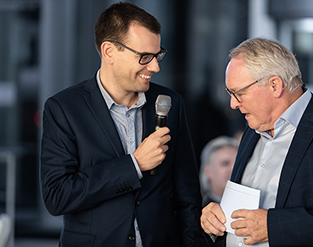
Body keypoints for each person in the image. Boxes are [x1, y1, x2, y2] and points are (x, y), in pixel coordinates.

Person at [40, 2, 206, 247]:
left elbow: (187, 197)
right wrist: (134, 165)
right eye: (144, 57)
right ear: (109, 52)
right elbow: (58, 196)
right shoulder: (64, 108)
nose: (155, 67)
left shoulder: (171, 103)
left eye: (158, 55)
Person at [200, 37, 313, 247]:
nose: (233, 104)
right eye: (230, 93)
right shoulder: (252, 131)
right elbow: (245, 214)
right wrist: (217, 218)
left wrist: (273, 226)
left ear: (275, 85)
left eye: (240, 93)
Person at [199, 136, 239, 207]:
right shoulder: (195, 211)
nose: (233, 169)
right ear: (208, 171)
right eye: (225, 163)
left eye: (238, 164)